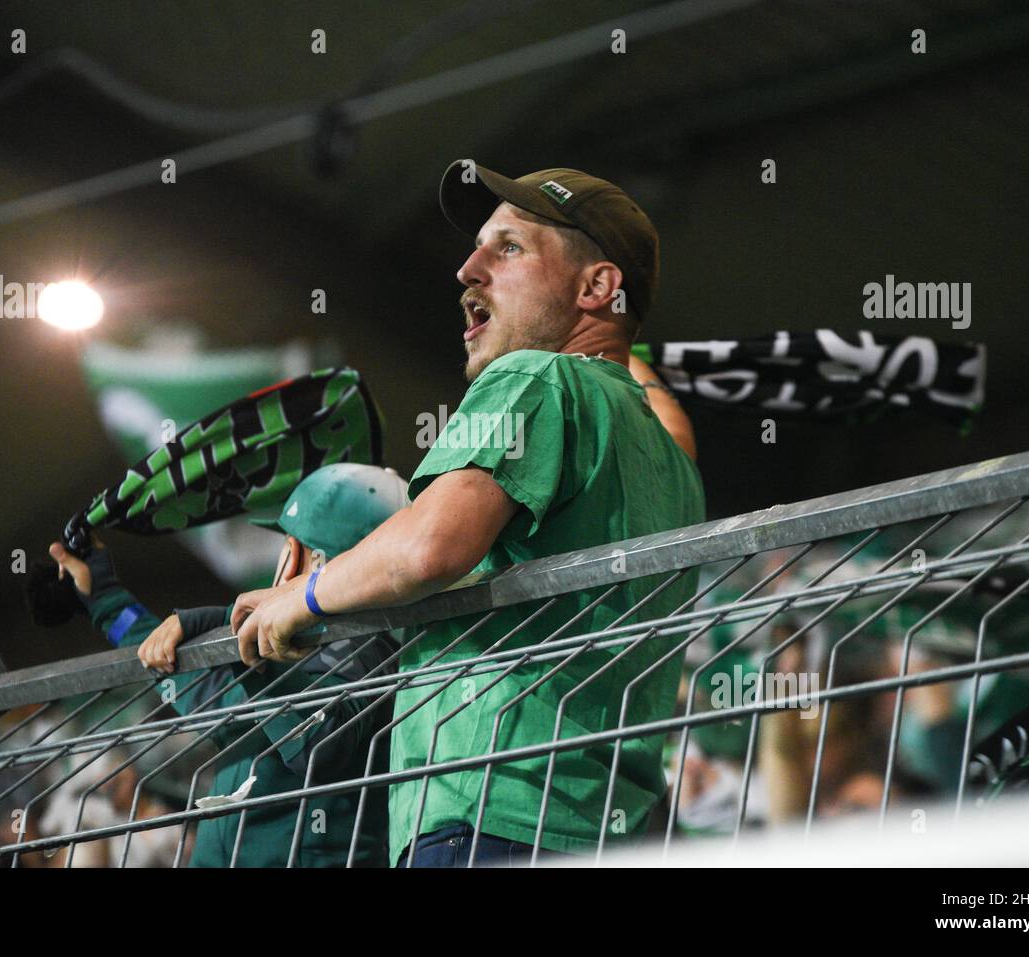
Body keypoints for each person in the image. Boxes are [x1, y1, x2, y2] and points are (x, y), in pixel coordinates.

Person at [231, 162, 706, 866]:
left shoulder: (536, 376)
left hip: (490, 812)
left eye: (508, 247)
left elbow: (430, 547)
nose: (466, 269)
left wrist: (300, 598)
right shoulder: (671, 463)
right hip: (613, 827)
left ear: (596, 287)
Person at [48, 463, 408, 867]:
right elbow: (189, 682)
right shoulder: (301, 653)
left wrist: (245, 638)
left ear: (303, 557)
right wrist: (104, 599)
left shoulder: (369, 649)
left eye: (286, 544)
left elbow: (319, 743)